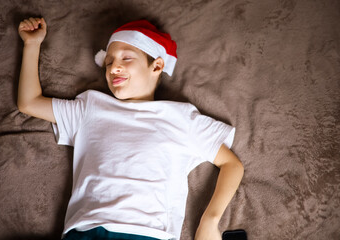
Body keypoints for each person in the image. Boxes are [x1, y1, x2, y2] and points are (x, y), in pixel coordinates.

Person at [17, 17, 244, 240]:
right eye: (108, 62)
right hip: (85, 229)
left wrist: (210, 221)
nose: (114, 67)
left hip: (148, 233)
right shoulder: (91, 108)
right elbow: (29, 102)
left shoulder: (182, 118)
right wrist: (32, 44)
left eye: (126, 58)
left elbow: (231, 164)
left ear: (157, 65)